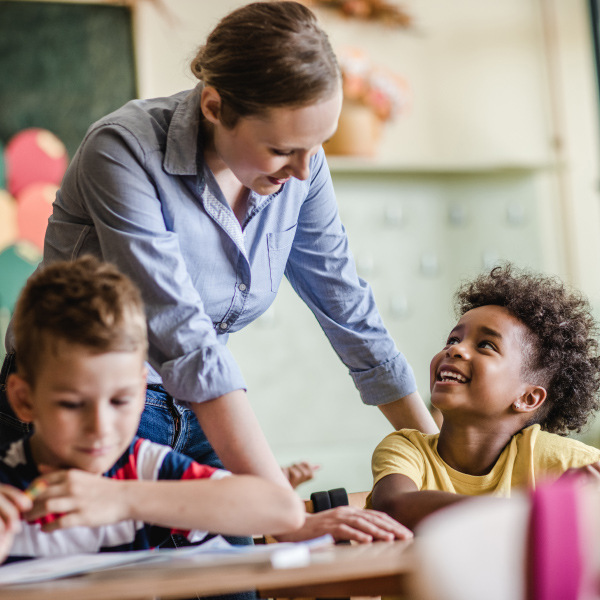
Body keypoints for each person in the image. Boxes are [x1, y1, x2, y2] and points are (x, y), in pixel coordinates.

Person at [1, 1, 436, 542]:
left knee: (236, 577)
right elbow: (181, 334)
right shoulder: (122, 151)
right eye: (281, 149)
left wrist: (439, 455)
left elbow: (343, 299)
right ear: (214, 106)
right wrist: (280, 503)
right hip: (96, 404)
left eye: (314, 148)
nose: (303, 171)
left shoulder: (303, 165)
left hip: (195, 401)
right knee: (124, 573)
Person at [0, 256, 310, 564]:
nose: (100, 427)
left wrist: (122, 499)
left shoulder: (143, 469)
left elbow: (281, 509)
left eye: (120, 401)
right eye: (71, 404)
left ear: (140, 392)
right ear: (24, 400)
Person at [368, 264, 600, 530]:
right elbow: (395, 505)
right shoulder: (407, 449)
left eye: (485, 345)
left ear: (528, 398)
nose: (455, 350)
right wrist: (537, 508)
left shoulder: (558, 458)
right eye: (453, 339)